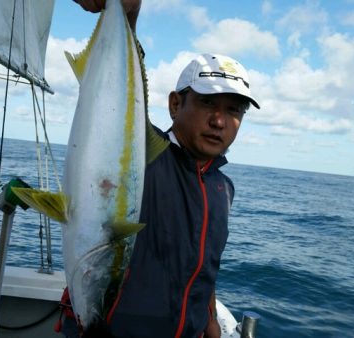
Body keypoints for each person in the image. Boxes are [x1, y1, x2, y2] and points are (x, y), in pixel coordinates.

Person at [70, 2, 260, 338]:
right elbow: (121, 102)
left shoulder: (223, 187)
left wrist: (210, 320)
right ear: (175, 104)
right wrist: (128, 16)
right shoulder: (147, 155)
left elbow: (204, 265)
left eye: (234, 110)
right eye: (206, 103)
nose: (219, 120)